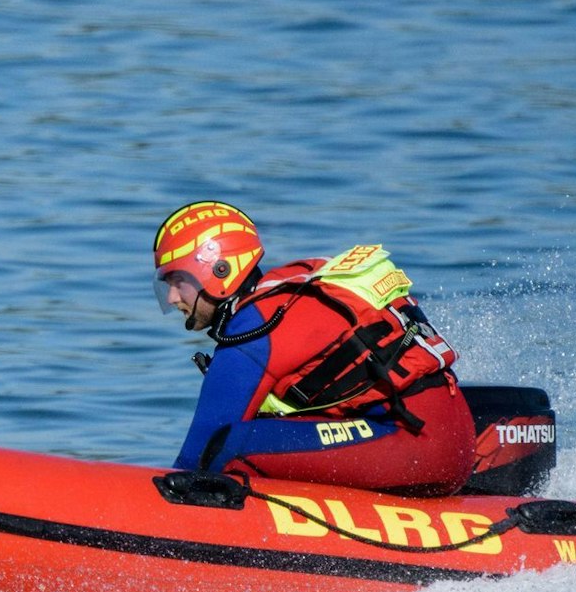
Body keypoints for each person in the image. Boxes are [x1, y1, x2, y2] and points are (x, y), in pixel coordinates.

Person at [152, 200, 475, 495]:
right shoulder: (291, 288)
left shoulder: (253, 328)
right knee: (261, 434)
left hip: (419, 446)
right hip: (447, 438)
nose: (172, 298)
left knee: (227, 445)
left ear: (218, 271)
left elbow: (197, 456)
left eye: (178, 281)